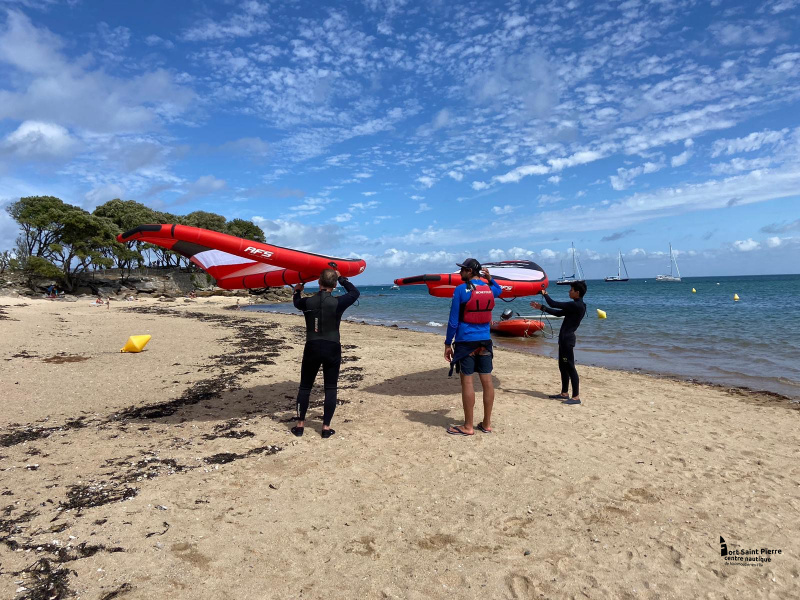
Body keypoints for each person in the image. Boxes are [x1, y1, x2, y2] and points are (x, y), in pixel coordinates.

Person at [291, 268, 360, 439]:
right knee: (331, 388)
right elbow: (355, 292)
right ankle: (326, 428)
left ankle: (300, 426)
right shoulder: (338, 302)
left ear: (319, 282)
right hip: (332, 348)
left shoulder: (307, 303)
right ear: (334, 284)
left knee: (305, 387)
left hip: (312, 347)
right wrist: (342, 278)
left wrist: (298, 290)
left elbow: (296, 302)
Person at [444, 258, 502, 436]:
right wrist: (490, 278)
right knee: (487, 381)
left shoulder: (461, 290)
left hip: (465, 341)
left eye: (462, 270)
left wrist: (447, 343)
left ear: (470, 271)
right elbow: (499, 290)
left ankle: (468, 426)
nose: (460, 273)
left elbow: (453, 321)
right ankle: (486, 424)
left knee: (467, 381)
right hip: (485, 341)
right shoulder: (489, 289)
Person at [530, 281, 587, 405]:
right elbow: (557, 313)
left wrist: (545, 294)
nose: (569, 291)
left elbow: (554, 304)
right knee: (562, 366)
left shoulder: (576, 305)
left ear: (577, 293)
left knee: (570, 366)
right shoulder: (577, 306)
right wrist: (541, 308)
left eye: (571, 290)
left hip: (567, 340)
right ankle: (564, 393)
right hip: (564, 339)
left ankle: (576, 396)